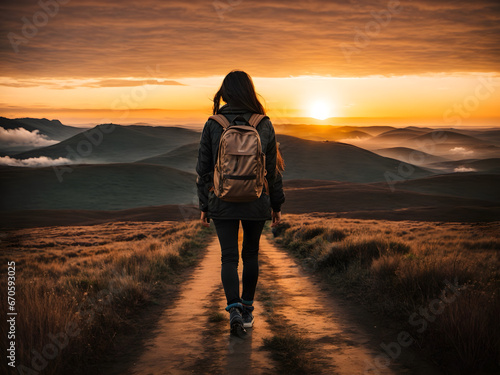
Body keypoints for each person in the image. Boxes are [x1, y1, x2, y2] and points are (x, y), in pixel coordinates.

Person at [196, 70, 285, 335]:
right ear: (249, 91)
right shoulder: (264, 123)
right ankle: (247, 311)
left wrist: (204, 206)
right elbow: (273, 171)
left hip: (222, 201)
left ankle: (233, 309)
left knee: (228, 258)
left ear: (225, 92)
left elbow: (203, 170)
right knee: (250, 255)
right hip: (256, 201)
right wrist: (276, 206)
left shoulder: (213, 123)